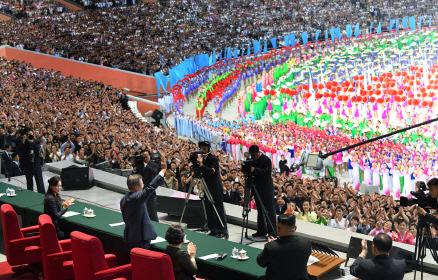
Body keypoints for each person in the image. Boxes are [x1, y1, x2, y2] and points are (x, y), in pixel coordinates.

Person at [120, 158, 166, 250]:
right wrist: (162, 171)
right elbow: (151, 187)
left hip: (130, 236)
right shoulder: (137, 197)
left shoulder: (124, 199)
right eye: (142, 184)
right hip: (140, 238)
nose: (143, 185)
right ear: (136, 187)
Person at [256, 214, 311, 280]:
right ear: (295, 228)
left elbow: (260, 262)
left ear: (278, 228)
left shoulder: (271, 247)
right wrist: (275, 244)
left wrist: (273, 244)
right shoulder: (306, 242)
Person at [197, 141, 228, 238]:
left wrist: (202, 166)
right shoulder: (202, 158)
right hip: (207, 187)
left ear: (209, 149)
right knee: (209, 209)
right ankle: (213, 229)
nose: (203, 151)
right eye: (201, 149)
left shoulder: (213, 158)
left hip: (215, 188)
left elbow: (211, 171)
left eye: (205, 149)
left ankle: (222, 230)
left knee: (218, 209)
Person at [249, 145, 277, 238]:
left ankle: (272, 231)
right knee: (260, 210)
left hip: (266, 189)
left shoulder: (266, 160)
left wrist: (255, 169)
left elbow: (266, 172)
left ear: (258, 152)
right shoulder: (253, 160)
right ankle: (261, 230)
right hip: (257, 188)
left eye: (254, 155)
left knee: (269, 210)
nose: (253, 157)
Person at [10, 127, 45, 193]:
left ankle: (42, 196)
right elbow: (19, 151)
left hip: (36, 164)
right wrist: (23, 141)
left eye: (31, 134)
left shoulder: (36, 140)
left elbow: (37, 151)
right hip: (27, 165)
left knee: (40, 182)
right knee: (29, 183)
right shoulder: (22, 142)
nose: (30, 136)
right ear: (25, 135)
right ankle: (30, 196)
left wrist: (32, 142)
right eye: (28, 134)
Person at [136, 150, 159, 222]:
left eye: (146, 155)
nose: (144, 157)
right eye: (143, 156)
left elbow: (154, 172)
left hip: (150, 191)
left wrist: (146, 164)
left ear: (149, 156)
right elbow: (137, 175)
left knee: (152, 212)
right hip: (140, 190)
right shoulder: (140, 165)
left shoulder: (153, 164)